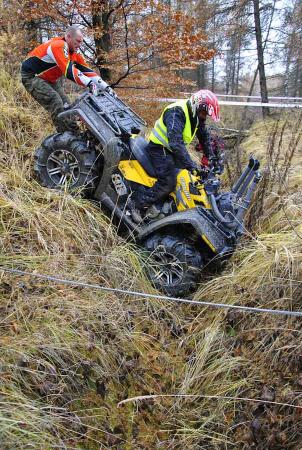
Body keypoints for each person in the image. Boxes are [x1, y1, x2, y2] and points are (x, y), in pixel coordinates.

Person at [130, 89, 220, 222]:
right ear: (197, 105)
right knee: (169, 181)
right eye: (203, 112)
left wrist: (211, 157)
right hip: (159, 148)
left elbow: (203, 136)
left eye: (205, 114)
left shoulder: (196, 115)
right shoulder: (176, 112)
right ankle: (137, 204)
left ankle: (165, 205)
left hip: (170, 150)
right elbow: (176, 143)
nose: (204, 116)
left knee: (187, 179)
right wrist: (192, 166)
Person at [21, 26, 109, 133]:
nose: (79, 45)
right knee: (56, 101)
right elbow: (69, 70)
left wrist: (106, 87)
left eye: (81, 42)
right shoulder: (58, 45)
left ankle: (75, 134)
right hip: (32, 77)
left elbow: (88, 71)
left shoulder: (74, 52)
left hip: (49, 79)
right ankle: (63, 137)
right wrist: (89, 83)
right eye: (77, 41)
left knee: (67, 106)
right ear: (68, 37)